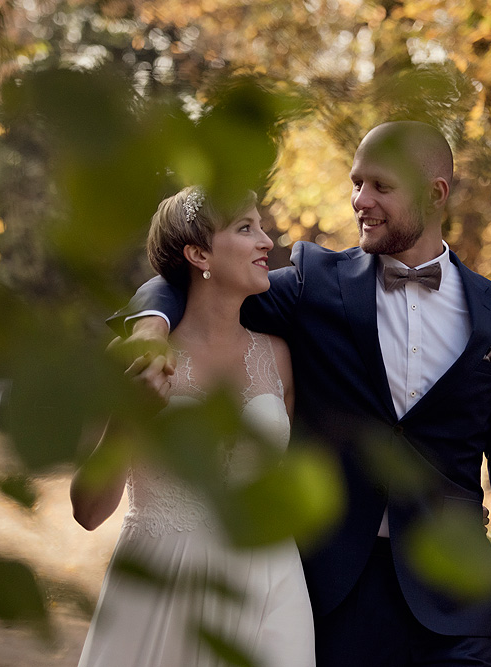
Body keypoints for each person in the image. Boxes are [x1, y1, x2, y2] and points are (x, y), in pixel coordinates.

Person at [111, 121, 491, 667]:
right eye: (355, 183)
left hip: (454, 602)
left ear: (434, 193)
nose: (359, 201)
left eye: (380, 187)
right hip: (332, 588)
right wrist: (150, 324)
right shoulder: (312, 284)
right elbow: (193, 275)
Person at [72, 187, 315, 667]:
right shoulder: (134, 360)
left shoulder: (279, 357)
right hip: (161, 584)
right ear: (199, 253)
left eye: (261, 226)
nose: (267, 241)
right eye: (246, 228)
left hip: (271, 585)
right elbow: (87, 511)